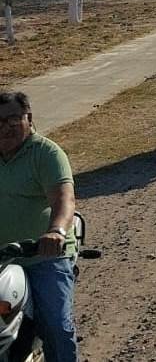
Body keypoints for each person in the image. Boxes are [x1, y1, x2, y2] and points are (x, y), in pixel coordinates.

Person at [0, 92, 79, 362]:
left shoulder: (46, 153)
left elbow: (63, 199)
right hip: (2, 257)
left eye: (12, 119)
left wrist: (56, 231)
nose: (5, 127)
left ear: (29, 118)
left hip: (42, 256)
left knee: (56, 326)